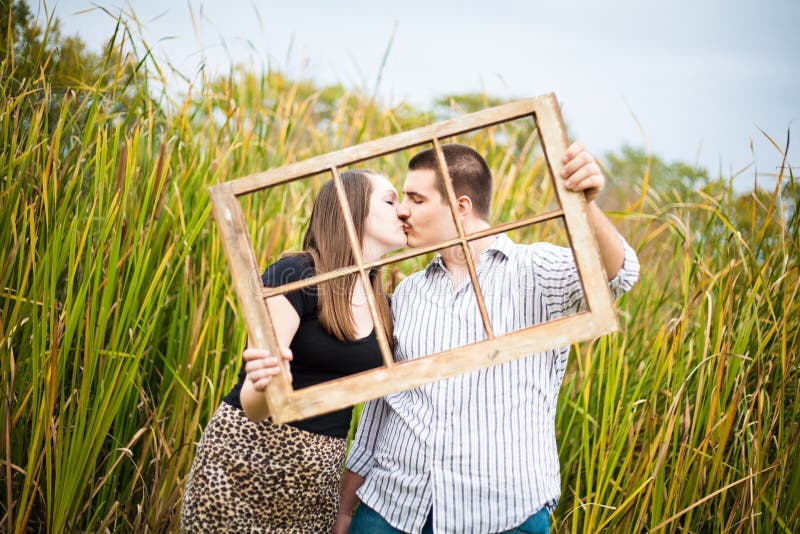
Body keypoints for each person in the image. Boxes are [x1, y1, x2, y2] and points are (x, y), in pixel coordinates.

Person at [334, 143, 640, 534]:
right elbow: (381, 407)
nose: (402, 210)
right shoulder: (407, 293)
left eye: (416, 198)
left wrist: (585, 205)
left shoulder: (535, 271)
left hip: (503, 515)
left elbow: (620, 275)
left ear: (461, 208)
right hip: (393, 508)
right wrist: (346, 510)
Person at [180, 170, 407, 533]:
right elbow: (253, 402)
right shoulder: (295, 272)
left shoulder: (384, 302)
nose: (404, 211)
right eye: (391, 200)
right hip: (248, 461)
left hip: (316, 481)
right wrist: (270, 382)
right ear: (352, 209)